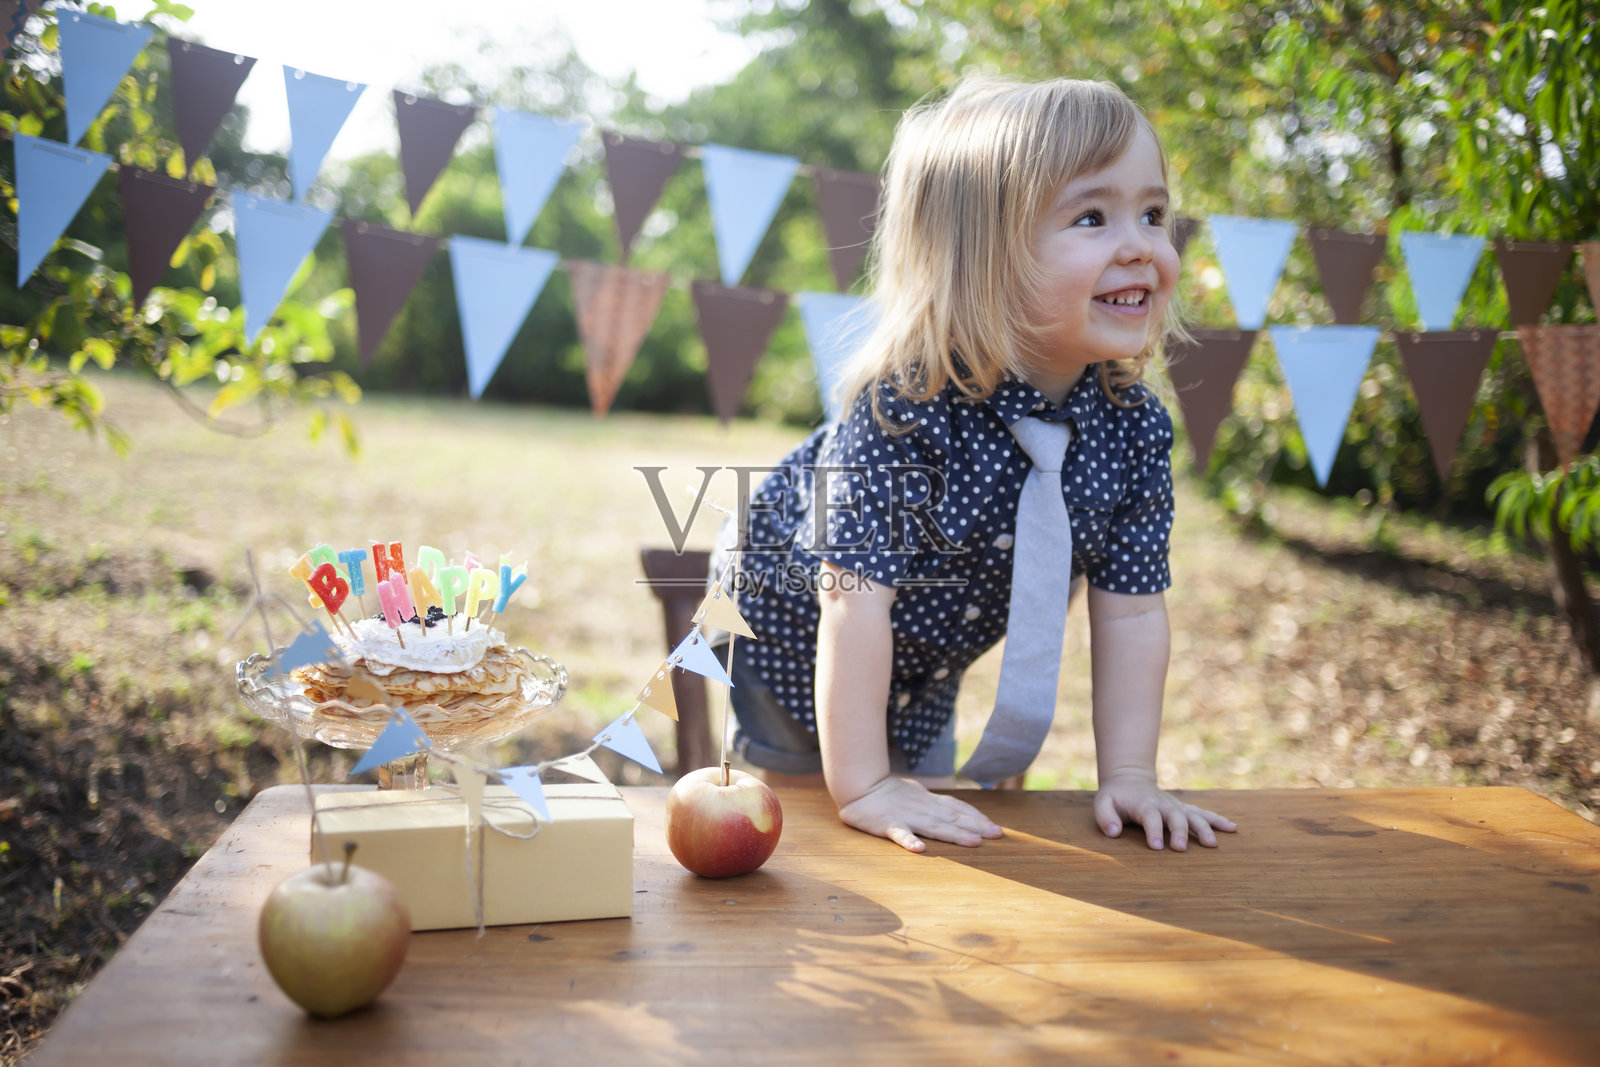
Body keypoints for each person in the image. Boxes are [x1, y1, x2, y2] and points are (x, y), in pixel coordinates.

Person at [712, 75, 1236, 855]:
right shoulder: (905, 406)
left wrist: (1129, 771)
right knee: (817, 831)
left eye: (1153, 214)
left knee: (932, 820)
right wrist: (862, 785)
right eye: (1093, 216)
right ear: (981, 257)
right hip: (790, 628)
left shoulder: (1133, 428)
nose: (1142, 245)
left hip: (929, 651)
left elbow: (1129, 609)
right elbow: (852, 605)